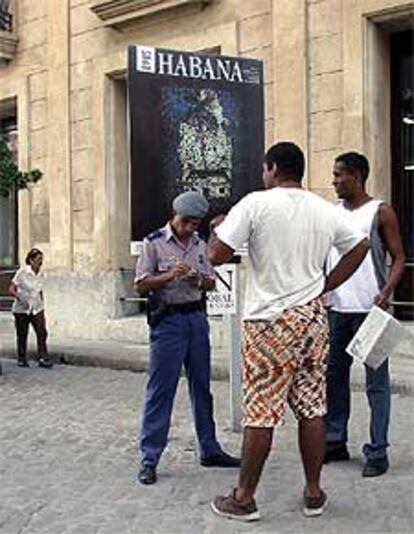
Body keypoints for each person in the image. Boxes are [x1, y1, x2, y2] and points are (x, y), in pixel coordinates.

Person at [207, 142, 369, 521]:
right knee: (312, 407)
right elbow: (359, 246)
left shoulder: (255, 204)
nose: (263, 175)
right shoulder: (322, 209)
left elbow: (216, 255)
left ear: (273, 168)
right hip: (312, 317)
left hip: (269, 320)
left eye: (265, 169)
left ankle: (244, 498)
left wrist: (220, 229)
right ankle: (314, 493)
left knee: (261, 410)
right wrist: (327, 284)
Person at [135, 191, 240, 486]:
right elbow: (141, 284)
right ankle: (150, 456)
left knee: (202, 386)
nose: (190, 229)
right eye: (186, 222)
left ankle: (209, 448)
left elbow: (212, 281)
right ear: (174, 215)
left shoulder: (199, 244)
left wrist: (197, 278)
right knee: (161, 390)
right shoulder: (153, 242)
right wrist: (169, 276)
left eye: (195, 224)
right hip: (167, 322)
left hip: (196, 319)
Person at [324, 152, 405, 477]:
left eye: (339, 175)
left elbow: (399, 258)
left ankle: (378, 451)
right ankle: (335, 439)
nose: (334, 181)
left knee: (376, 384)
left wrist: (386, 292)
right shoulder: (332, 214)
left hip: (370, 312)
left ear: (357, 176)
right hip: (338, 311)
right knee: (334, 377)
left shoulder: (380, 211)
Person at [8, 248, 53, 369]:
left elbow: (39, 289)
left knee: (42, 332)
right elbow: (11, 288)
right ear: (31, 260)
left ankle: (43, 358)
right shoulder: (22, 272)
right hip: (22, 308)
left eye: (41, 259)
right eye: (38, 259)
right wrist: (20, 298)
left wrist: (42, 303)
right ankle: (22, 358)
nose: (41, 262)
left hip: (37, 307)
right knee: (22, 334)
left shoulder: (41, 273)